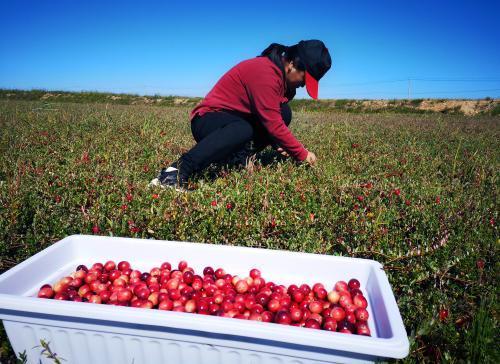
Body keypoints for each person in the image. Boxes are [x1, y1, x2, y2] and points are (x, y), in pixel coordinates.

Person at [150, 39, 332, 190]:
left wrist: (278, 143)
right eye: (304, 79)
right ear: (292, 64)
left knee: (284, 112)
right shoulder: (265, 73)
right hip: (207, 120)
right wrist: (301, 153)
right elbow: (272, 124)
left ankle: (238, 159)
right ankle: (174, 172)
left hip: (234, 121)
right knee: (244, 129)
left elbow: (271, 116)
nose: (302, 86)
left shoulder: (285, 84)